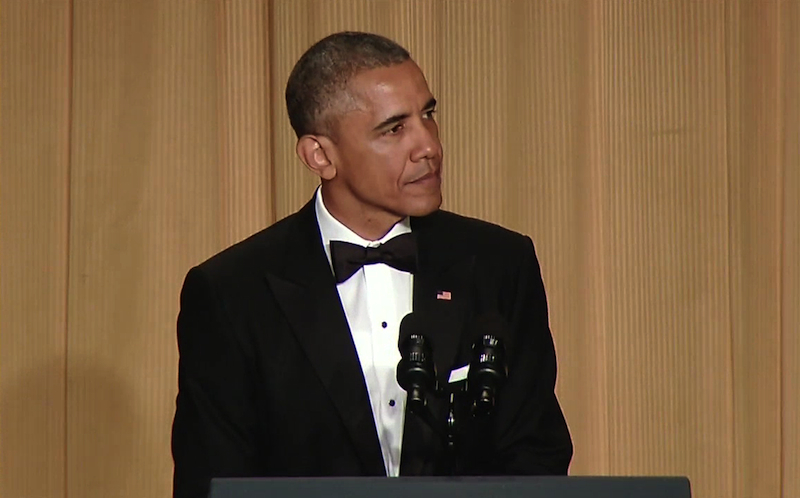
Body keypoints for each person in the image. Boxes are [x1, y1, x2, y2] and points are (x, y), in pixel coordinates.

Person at [171, 31, 572, 498]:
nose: (429, 146)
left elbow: (536, 455)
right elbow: (213, 480)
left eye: (428, 115)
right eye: (394, 128)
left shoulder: (500, 264)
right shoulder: (230, 293)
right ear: (320, 155)